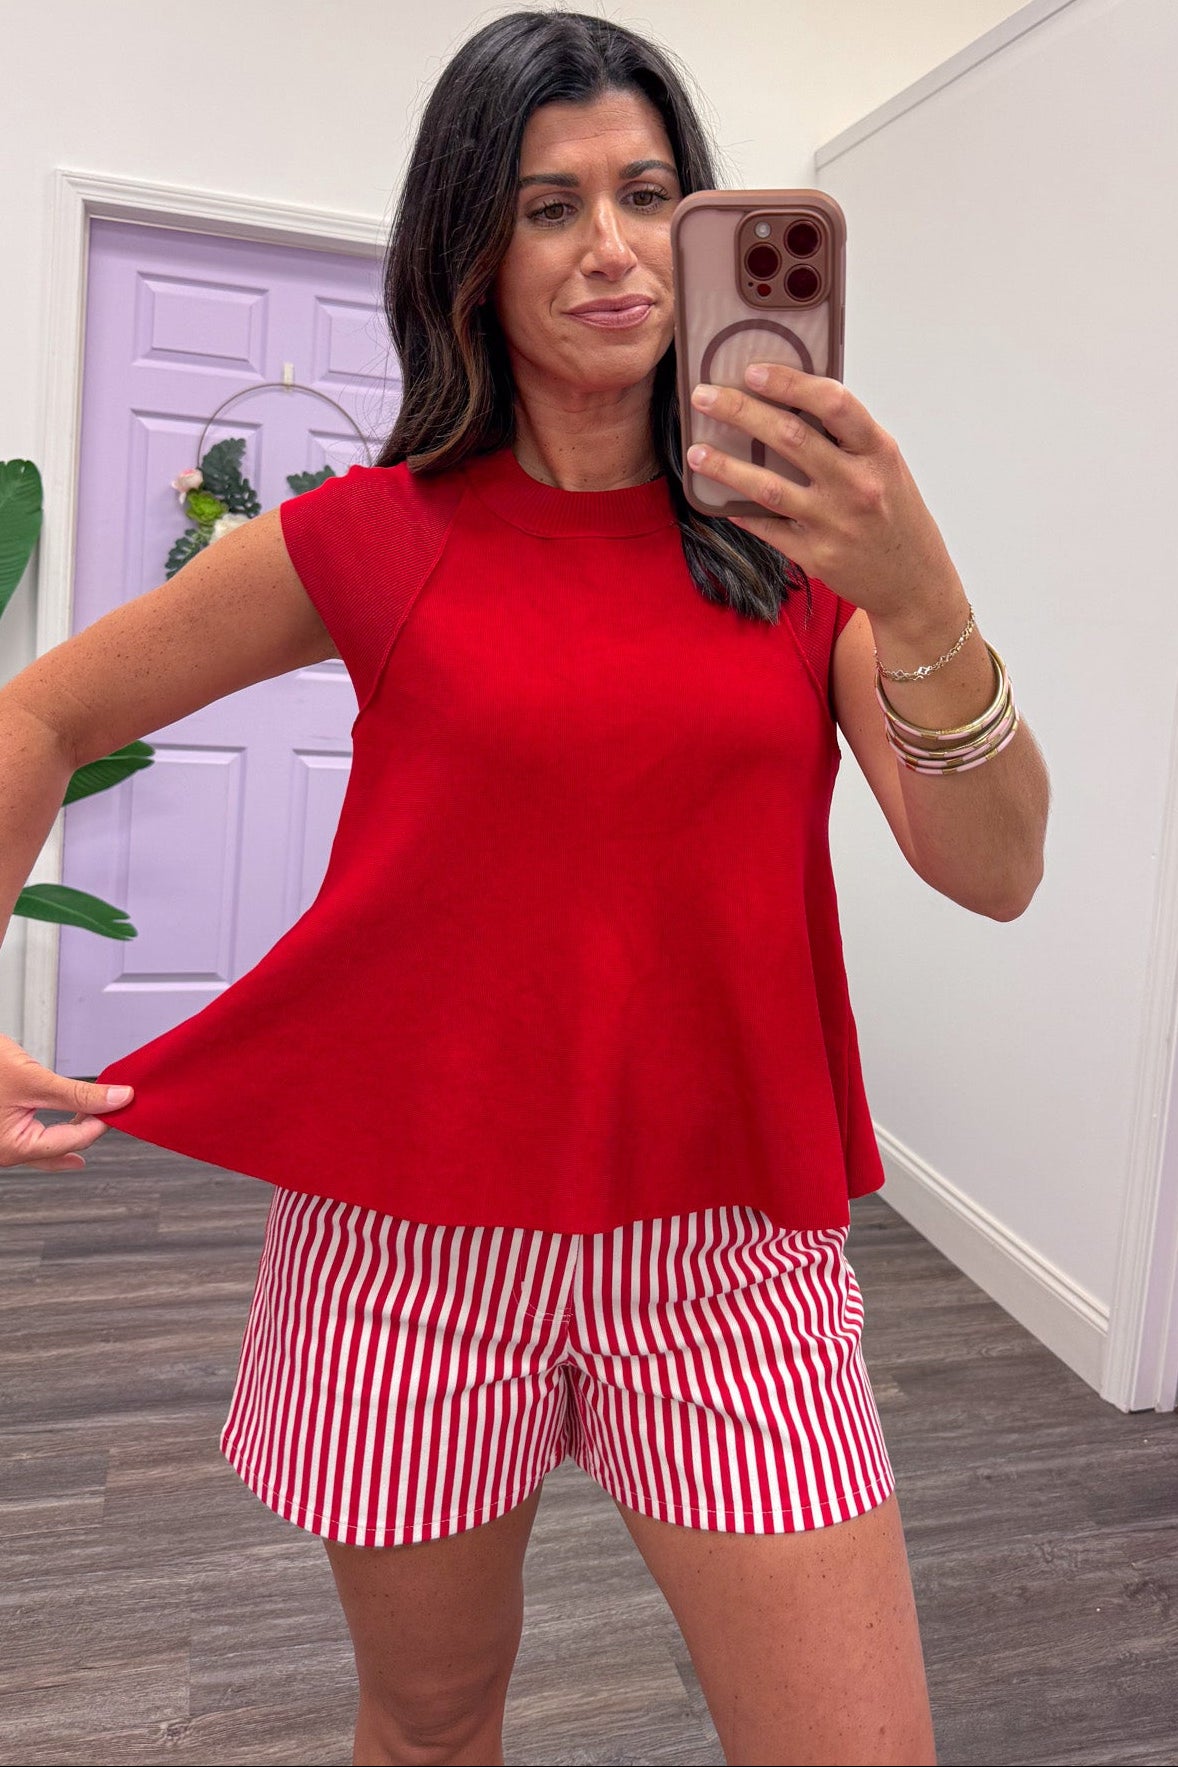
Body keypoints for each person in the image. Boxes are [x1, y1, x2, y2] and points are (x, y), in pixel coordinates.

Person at [0, 11, 1049, 1765]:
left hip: (729, 1260)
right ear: (469, 255)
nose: (613, 246)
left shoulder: (808, 560)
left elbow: (994, 867)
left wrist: (921, 596)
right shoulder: (368, 536)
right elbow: (40, 712)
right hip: (405, 1251)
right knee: (431, 1722)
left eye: (648, 194)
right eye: (549, 206)